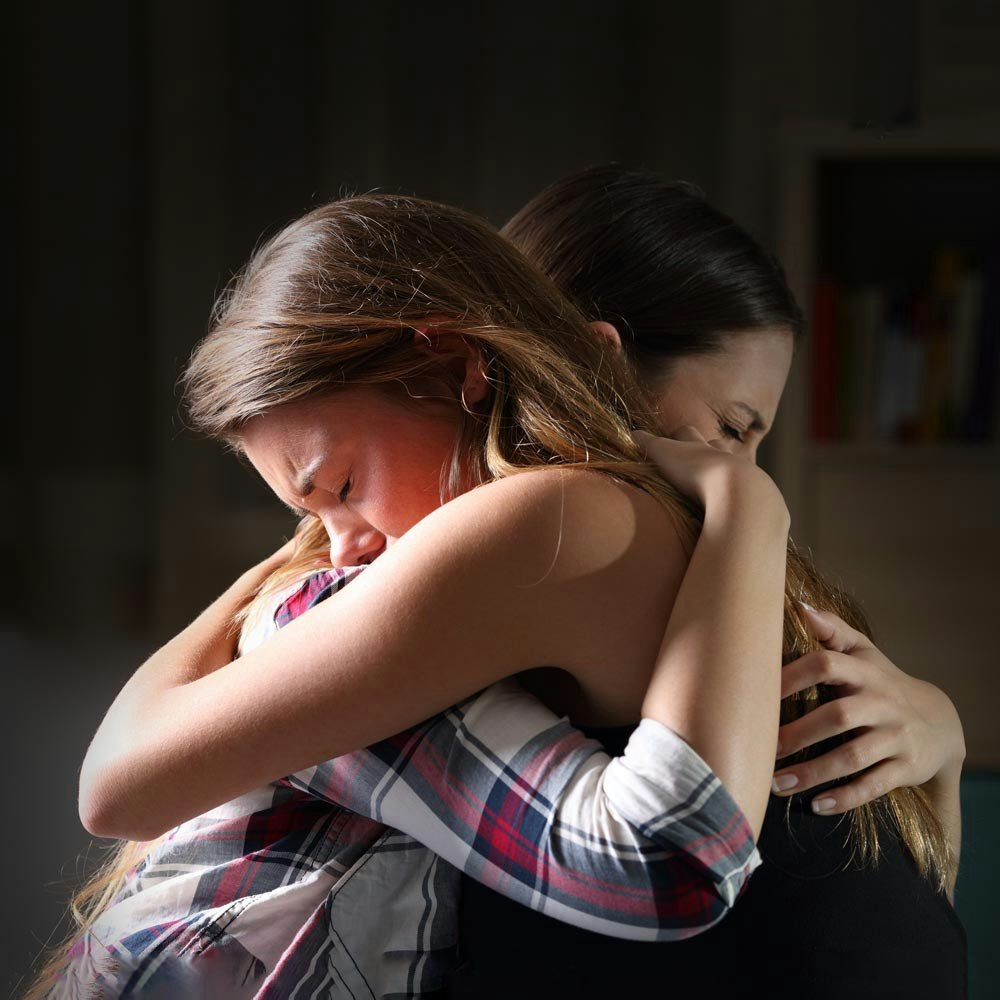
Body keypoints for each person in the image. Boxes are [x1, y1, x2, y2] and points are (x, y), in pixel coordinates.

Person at [34, 192, 789, 999]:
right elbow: (114, 790)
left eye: (344, 487)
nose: (346, 544)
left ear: (460, 367)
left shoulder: (553, 524)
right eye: (314, 515)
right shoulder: (385, 588)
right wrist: (753, 507)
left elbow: (114, 787)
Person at [439, 164, 966, 998]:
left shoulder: (701, 554)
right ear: (596, 362)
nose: (743, 465)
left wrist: (940, 743)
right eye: (732, 427)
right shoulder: (585, 534)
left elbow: (899, 861)